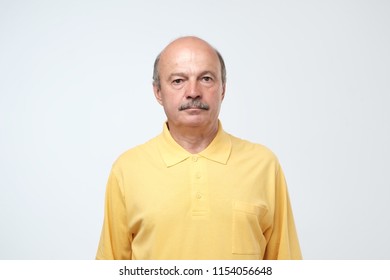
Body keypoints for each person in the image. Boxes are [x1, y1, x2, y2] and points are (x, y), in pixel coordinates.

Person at [96, 36, 302, 260]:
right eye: (178, 81)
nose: (193, 91)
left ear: (223, 89)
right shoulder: (128, 169)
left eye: (206, 78)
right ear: (157, 91)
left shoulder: (263, 165)